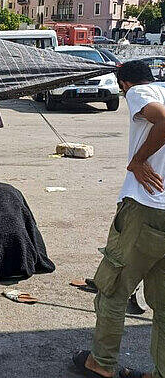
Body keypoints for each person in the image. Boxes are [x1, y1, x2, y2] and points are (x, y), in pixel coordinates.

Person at [73, 60, 165, 378]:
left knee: (112, 289)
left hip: (145, 209)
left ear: (123, 84)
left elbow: (163, 120)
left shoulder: (139, 92)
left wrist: (138, 160)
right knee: (163, 301)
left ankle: (102, 363)